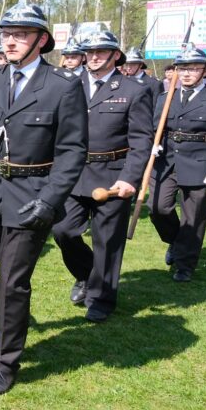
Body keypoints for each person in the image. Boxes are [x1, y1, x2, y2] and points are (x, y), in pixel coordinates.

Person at [0, 0, 87, 396]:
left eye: (21, 34)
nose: (10, 41)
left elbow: (72, 151)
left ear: (41, 40)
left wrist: (50, 200)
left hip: (32, 193)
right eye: (6, 34)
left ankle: (5, 363)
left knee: (14, 282)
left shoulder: (63, 86)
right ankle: (11, 322)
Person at [50, 32, 153, 322]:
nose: (94, 57)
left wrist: (130, 178)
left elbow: (141, 140)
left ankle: (101, 298)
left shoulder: (133, 90)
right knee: (63, 230)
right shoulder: (70, 84)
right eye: (89, 52)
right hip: (74, 174)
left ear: (116, 55)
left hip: (113, 176)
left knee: (107, 241)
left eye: (101, 51)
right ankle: (87, 274)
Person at [148, 45, 206, 281]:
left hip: (200, 162)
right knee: (158, 208)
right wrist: (153, 144)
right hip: (167, 161)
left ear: (204, 71)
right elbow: (155, 127)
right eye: (182, 68)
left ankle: (185, 264)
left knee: (194, 217)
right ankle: (176, 242)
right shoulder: (165, 98)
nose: (186, 73)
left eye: (193, 68)